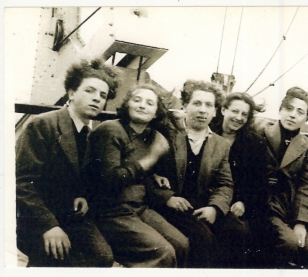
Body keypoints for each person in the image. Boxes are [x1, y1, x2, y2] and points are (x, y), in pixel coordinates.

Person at [16, 59, 118, 267]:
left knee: (103, 257)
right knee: (62, 260)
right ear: (71, 93)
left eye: (103, 95)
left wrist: (82, 196)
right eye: (90, 91)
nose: (97, 99)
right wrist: (48, 226)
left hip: (69, 216)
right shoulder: (43, 124)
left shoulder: (89, 135)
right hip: (36, 219)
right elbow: (21, 183)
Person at [84, 84, 189, 268]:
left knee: (182, 244)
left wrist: (153, 174)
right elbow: (111, 180)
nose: (142, 105)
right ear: (127, 105)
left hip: (138, 207)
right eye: (137, 100)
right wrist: (150, 160)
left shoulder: (149, 136)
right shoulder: (111, 130)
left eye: (149, 103)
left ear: (156, 113)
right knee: (164, 252)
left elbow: (137, 165)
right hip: (110, 211)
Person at [151, 80, 250, 268]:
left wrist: (215, 207)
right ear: (185, 106)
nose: (203, 110)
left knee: (239, 232)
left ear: (215, 111)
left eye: (209, 105)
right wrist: (167, 197)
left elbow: (225, 184)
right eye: (197, 103)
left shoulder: (220, 144)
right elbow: (148, 173)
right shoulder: (166, 134)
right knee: (203, 240)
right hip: (171, 206)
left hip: (202, 204)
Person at [254, 87, 308, 269]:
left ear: (306, 119)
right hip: (265, 205)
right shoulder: (260, 132)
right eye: (288, 109)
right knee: (289, 242)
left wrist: (301, 222)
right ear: (280, 110)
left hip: (294, 207)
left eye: (300, 112)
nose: (292, 115)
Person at [209, 92, 268, 266]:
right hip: (207, 195)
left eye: (244, 114)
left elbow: (259, 183)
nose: (238, 117)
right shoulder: (208, 131)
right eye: (235, 111)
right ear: (223, 109)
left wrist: (243, 202)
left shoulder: (253, 143)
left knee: (243, 234)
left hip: (236, 202)